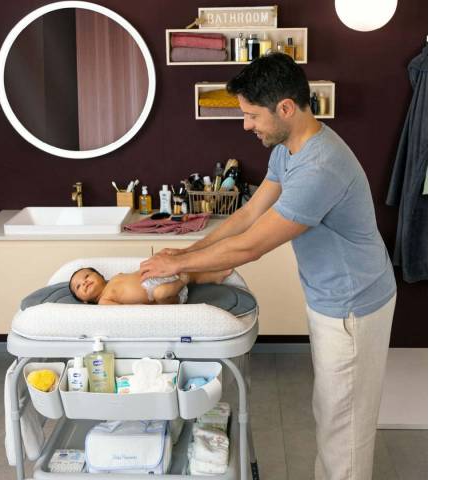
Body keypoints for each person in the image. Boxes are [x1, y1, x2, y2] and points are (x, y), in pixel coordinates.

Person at [139, 53, 397, 480]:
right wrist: (185, 255)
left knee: (344, 424)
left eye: (251, 115)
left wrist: (181, 264)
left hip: (353, 304)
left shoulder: (320, 167)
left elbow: (251, 246)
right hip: (330, 295)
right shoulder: (287, 150)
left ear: (286, 108)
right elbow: (247, 215)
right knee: (332, 408)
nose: (246, 125)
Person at [68, 266, 232, 305]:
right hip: (161, 298)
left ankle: (211, 276)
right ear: (84, 301)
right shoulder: (104, 301)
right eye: (78, 286)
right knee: (161, 292)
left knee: (167, 267)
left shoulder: (115, 278)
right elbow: (124, 313)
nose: (84, 282)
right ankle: (185, 280)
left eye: (87, 275)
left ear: (101, 276)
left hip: (156, 280)